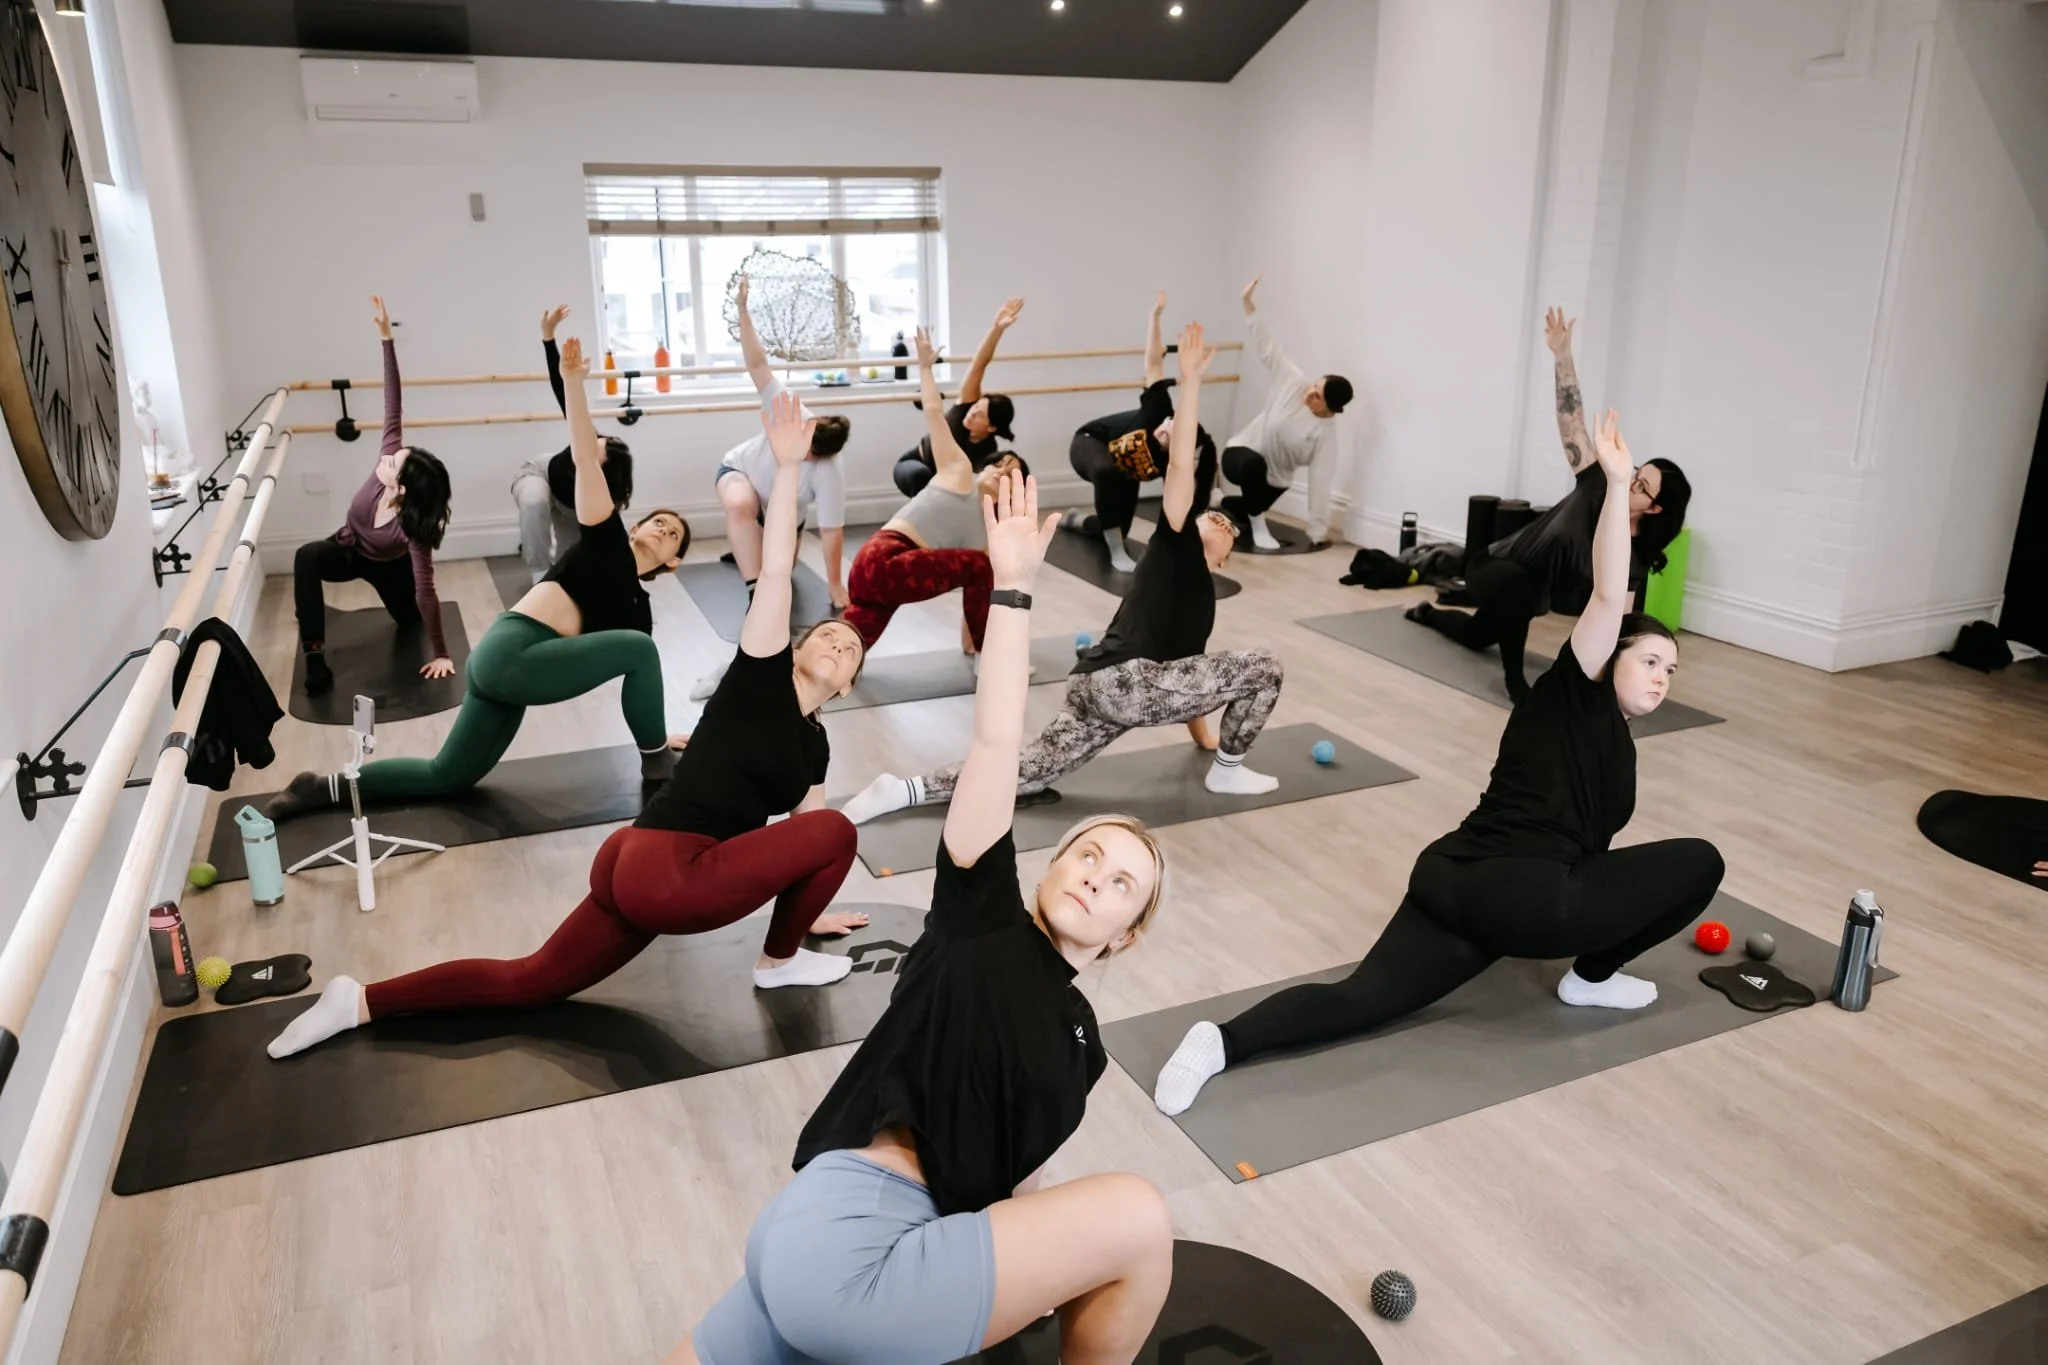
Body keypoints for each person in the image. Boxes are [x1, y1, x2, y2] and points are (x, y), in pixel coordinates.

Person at [673, 469, 1175, 1365]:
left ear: (1127, 933)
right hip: (850, 1232)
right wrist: (1010, 587)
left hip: (827, 1244)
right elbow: (997, 740)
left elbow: (1006, 1171)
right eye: (1089, 854)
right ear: (1049, 867)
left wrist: (1027, 1270)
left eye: (1124, 883)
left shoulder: (1083, 1046)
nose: (1099, 877)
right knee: (1140, 1216)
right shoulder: (982, 922)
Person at [266, 391, 875, 1064]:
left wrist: (809, 911)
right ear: (793, 646)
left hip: (637, 864)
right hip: (671, 867)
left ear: (848, 684)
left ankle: (358, 1000)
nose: (838, 642)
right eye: (828, 633)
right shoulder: (757, 676)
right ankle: (778, 963)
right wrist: (786, 470)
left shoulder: (815, 744)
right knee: (841, 828)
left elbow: (803, 837)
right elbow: (779, 567)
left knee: (529, 982)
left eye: (850, 648)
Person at [1154, 409, 1726, 1118]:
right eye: (1649, 660)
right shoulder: (1573, 692)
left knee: (1360, 1000)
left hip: (1451, 879)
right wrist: (1614, 485)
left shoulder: (1599, 730)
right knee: (1701, 861)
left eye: (1672, 668)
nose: (1663, 677)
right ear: (1607, 657)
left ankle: (1220, 1040)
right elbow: (1611, 593)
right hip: (1526, 895)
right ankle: (1591, 977)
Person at [843, 323, 1281, 827]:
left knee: (1026, 773)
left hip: (1096, 687)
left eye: (1230, 530)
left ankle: (904, 790)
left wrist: (1206, 741)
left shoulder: (1197, 596)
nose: (1222, 523)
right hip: (1127, 683)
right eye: (1217, 517)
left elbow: (1191, 682)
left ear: (1223, 560)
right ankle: (1229, 772)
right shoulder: (1175, 542)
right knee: (1266, 665)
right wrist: (1192, 383)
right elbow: (1181, 467)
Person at [264, 336, 691, 819]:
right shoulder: (605, 539)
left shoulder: (638, 610)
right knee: (640, 649)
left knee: (446, 775)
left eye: (674, 534)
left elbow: (636, 681)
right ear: (633, 524)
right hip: (514, 649)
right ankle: (657, 765)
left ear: (674, 561)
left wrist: (659, 733)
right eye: (659, 520)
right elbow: (586, 458)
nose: (663, 529)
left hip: (514, 671)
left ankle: (321, 788)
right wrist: (572, 382)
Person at [1407, 307, 1692, 703]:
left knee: (1476, 635)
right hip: (1491, 567)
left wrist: (1617, 681)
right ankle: (1515, 683)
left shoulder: (1634, 555)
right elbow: (1571, 420)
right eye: (1636, 472)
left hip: (1527, 597)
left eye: (1642, 486)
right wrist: (1562, 355)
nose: (1632, 482)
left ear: (1655, 508)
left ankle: (1426, 613)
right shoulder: (1598, 482)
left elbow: (1618, 621)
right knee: (1518, 588)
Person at [690, 274, 854, 702]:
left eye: (810, 457)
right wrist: (743, 311)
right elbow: (758, 365)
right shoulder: (788, 409)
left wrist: (835, 584)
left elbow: (832, 530)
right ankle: (750, 586)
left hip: (783, 510)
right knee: (742, 511)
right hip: (740, 473)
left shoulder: (830, 472)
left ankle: (752, 553)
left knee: (782, 575)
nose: (803, 455)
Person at [291, 296, 454, 696]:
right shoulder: (389, 454)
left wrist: (442, 653)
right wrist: (386, 340)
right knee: (307, 556)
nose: (387, 457)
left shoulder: (412, 531)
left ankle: (409, 623)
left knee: (410, 621)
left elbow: (427, 592)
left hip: (389, 569)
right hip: (348, 549)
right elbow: (393, 401)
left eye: (393, 463)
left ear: (402, 488)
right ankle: (315, 657)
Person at [845, 328, 1023, 656]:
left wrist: (971, 643)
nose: (1000, 471)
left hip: (887, 577)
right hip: (884, 558)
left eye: (1009, 474)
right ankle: (991, 656)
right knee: (979, 565)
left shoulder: (987, 532)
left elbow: (982, 592)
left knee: (849, 641)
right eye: (999, 464)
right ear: (985, 466)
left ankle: (791, 668)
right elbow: (932, 410)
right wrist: (925, 368)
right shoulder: (959, 472)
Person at [1063, 292, 1217, 574]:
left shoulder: (1174, 463)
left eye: (1171, 434)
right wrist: (1154, 317)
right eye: (1169, 423)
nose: (1164, 428)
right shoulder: (1158, 408)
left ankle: (1076, 521)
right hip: (1089, 443)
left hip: (1127, 470)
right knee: (1107, 472)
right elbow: (1153, 363)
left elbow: (1179, 503)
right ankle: (1116, 551)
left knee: (1115, 526)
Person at [1216, 274, 1351, 551]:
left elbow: (1320, 482)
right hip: (1240, 454)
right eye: (1315, 385)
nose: (1309, 393)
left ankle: (1218, 501)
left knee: (1244, 507)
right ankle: (1259, 528)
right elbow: (1268, 347)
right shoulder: (1293, 382)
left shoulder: (1325, 436)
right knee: (1253, 467)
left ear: (1331, 409)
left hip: (1273, 482)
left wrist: (1317, 533)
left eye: (1317, 395)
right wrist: (1247, 303)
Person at [510, 304, 640, 584]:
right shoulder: (587, 437)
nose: (588, 449)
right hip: (541, 474)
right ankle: (537, 572)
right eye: (598, 442)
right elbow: (561, 388)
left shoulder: (606, 497)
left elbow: (614, 541)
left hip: (574, 508)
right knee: (534, 502)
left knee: (575, 566)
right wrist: (548, 336)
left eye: (595, 454)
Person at [891, 297, 1024, 498]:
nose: (972, 413)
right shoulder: (964, 408)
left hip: (947, 483)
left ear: (991, 428)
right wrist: (996, 329)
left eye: (980, 414)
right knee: (922, 478)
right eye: (976, 407)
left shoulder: (988, 451)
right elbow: (979, 364)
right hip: (916, 462)